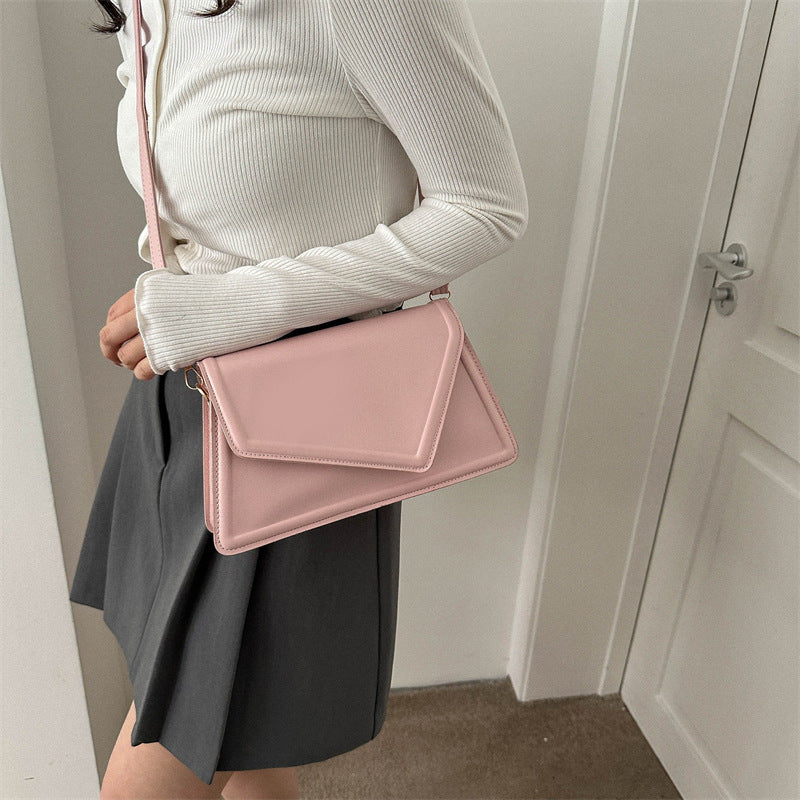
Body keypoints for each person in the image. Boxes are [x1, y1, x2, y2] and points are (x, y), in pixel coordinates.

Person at [69, 0, 528, 796]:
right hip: (181, 397)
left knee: (181, 734)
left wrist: (229, 306)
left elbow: (486, 207)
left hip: (296, 431)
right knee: (243, 733)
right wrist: (180, 288)